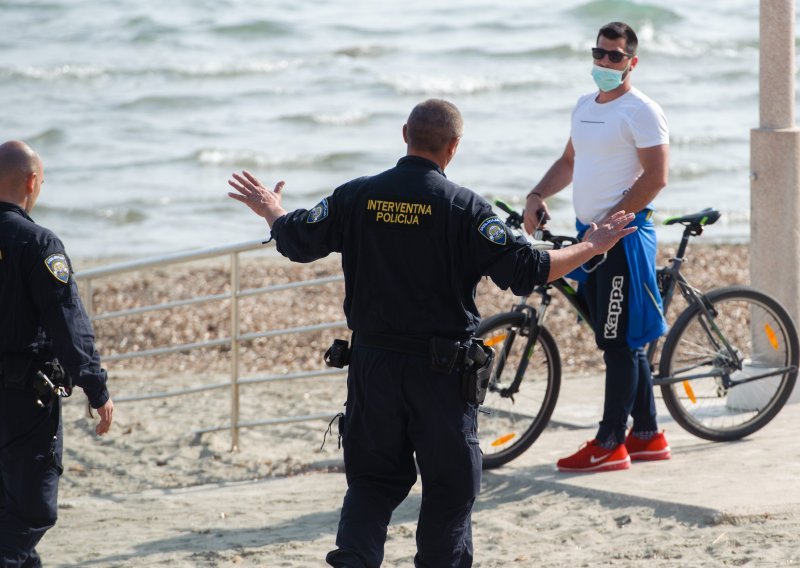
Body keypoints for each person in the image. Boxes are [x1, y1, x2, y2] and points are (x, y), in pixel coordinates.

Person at [228, 99, 636, 567]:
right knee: (449, 490)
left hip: (373, 370)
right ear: (454, 147)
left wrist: (272, 211)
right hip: (441, 376)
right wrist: (594, 244)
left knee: (372, 483)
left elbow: (298, 240)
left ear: (405, 133)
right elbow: (531, 270)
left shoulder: (356, 195)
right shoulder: (464, 208)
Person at [523, 22, 671, 473]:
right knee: (621, 338)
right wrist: (536, 195)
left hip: (623, 240)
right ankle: (647, 435)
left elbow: (656, 178)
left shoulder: (642, 111)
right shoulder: (585, 105)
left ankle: (610, 443)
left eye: (615, 56)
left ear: (632, 62)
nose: (605, 63)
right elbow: (570, 161)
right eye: (600, 54)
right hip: (591, 238)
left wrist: (612, 220)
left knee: (619, 343)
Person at [0, 140, 114, 567]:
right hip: (24, 401)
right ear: (32, 182)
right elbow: (68, 321)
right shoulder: (37, 242)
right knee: (30, 512)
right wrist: (96, 387)